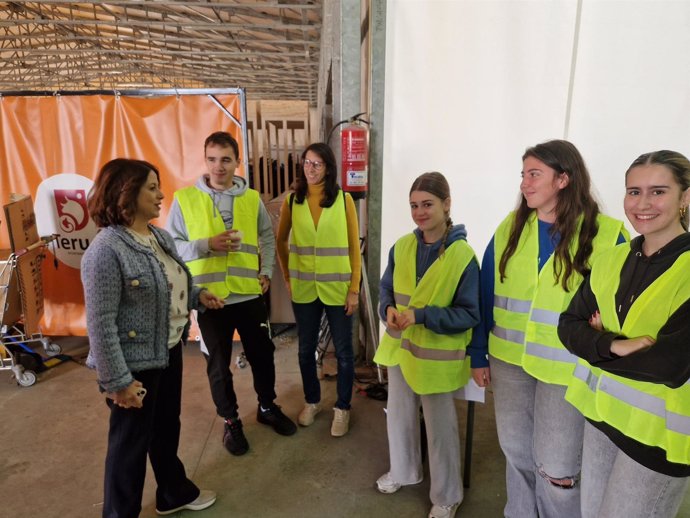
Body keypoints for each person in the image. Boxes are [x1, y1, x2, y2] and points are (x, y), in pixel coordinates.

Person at [470, 140, 628, 518]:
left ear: (563, 179)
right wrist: (478, 353)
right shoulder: (511, 227)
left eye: (534, 174)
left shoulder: (606, 234)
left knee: (557, 469)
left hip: (566, 371)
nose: (524, 183)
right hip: (509, 363)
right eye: (523, 175)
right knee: (517, 453)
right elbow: (485, 290)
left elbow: (622, 301)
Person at [82, 158, 223, 518]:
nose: (161, 195)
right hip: (134, 367)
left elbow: (170, 281)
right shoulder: (105, 251)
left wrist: (197, 296)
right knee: (128, 447)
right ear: (126, 193)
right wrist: (117, 382)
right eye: (151, 187)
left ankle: (172, 493)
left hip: (168, 350)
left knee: (164, 429)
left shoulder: (157, 235)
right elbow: (100, 325)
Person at [558, 150, 690, 518]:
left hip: (658, 441)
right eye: (633, 192)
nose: (642, 203)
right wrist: (614, 344)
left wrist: (593, 345)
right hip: (602, 420)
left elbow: (672, 364)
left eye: (657, 191)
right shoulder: (611, 260)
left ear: (686, 197)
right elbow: (567, 326)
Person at [166, 131, 296, 457]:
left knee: (263, 356)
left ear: (237, 161)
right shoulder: (184, 199)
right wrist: (206, 245)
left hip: (249, 295)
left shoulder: (251, 199)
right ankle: (231, 421)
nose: (218, 166)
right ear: (205, 160)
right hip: (210, 300)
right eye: (212, 159)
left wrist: (266, 272)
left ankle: (267, 407)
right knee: (218, 366)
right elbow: (171, 247)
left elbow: (268, 237)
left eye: (225, 159)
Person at [373, 172, 480, 518]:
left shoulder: (463, 256)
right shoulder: (402, 246)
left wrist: (421, 316)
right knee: (399, 418)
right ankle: (404, 472)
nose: (420, 212)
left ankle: (447, 495)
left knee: (440, 431)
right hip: (401, 351)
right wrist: (387, 309)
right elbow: (386, 289)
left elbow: (469, 314)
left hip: (436, 359)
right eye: (414, 205)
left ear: (447, 204)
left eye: (427, 204)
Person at [275, 142, 361, 436]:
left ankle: (343, 407)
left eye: (317, 164)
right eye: (306, 163)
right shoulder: (292, 201)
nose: (310, 169)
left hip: (337, 288)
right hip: (304, 289)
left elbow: (353, 247)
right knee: (305, 351)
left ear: (328, 168)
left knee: (345, 353)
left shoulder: (344, 200)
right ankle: (312, 401)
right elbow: (281, 241)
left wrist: (354, 289)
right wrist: (287, 276)